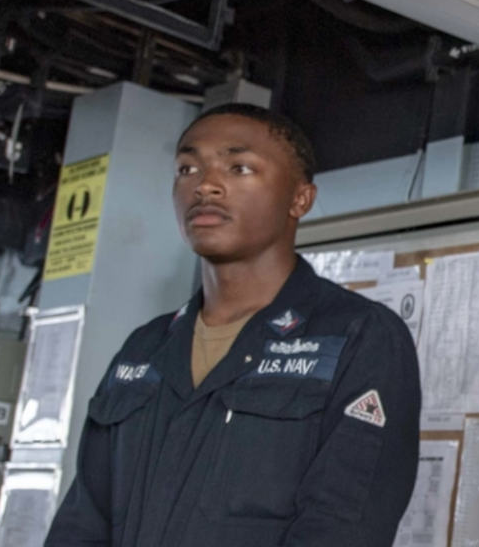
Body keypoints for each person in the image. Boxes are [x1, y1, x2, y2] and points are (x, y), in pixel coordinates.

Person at [45, 103, 421, 547]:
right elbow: (83, 523)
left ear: (300, 199)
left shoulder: (357, 337)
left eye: (238, 167)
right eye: (187, 168)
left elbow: (341, 527)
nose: (204, 185)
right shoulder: (143, 350)